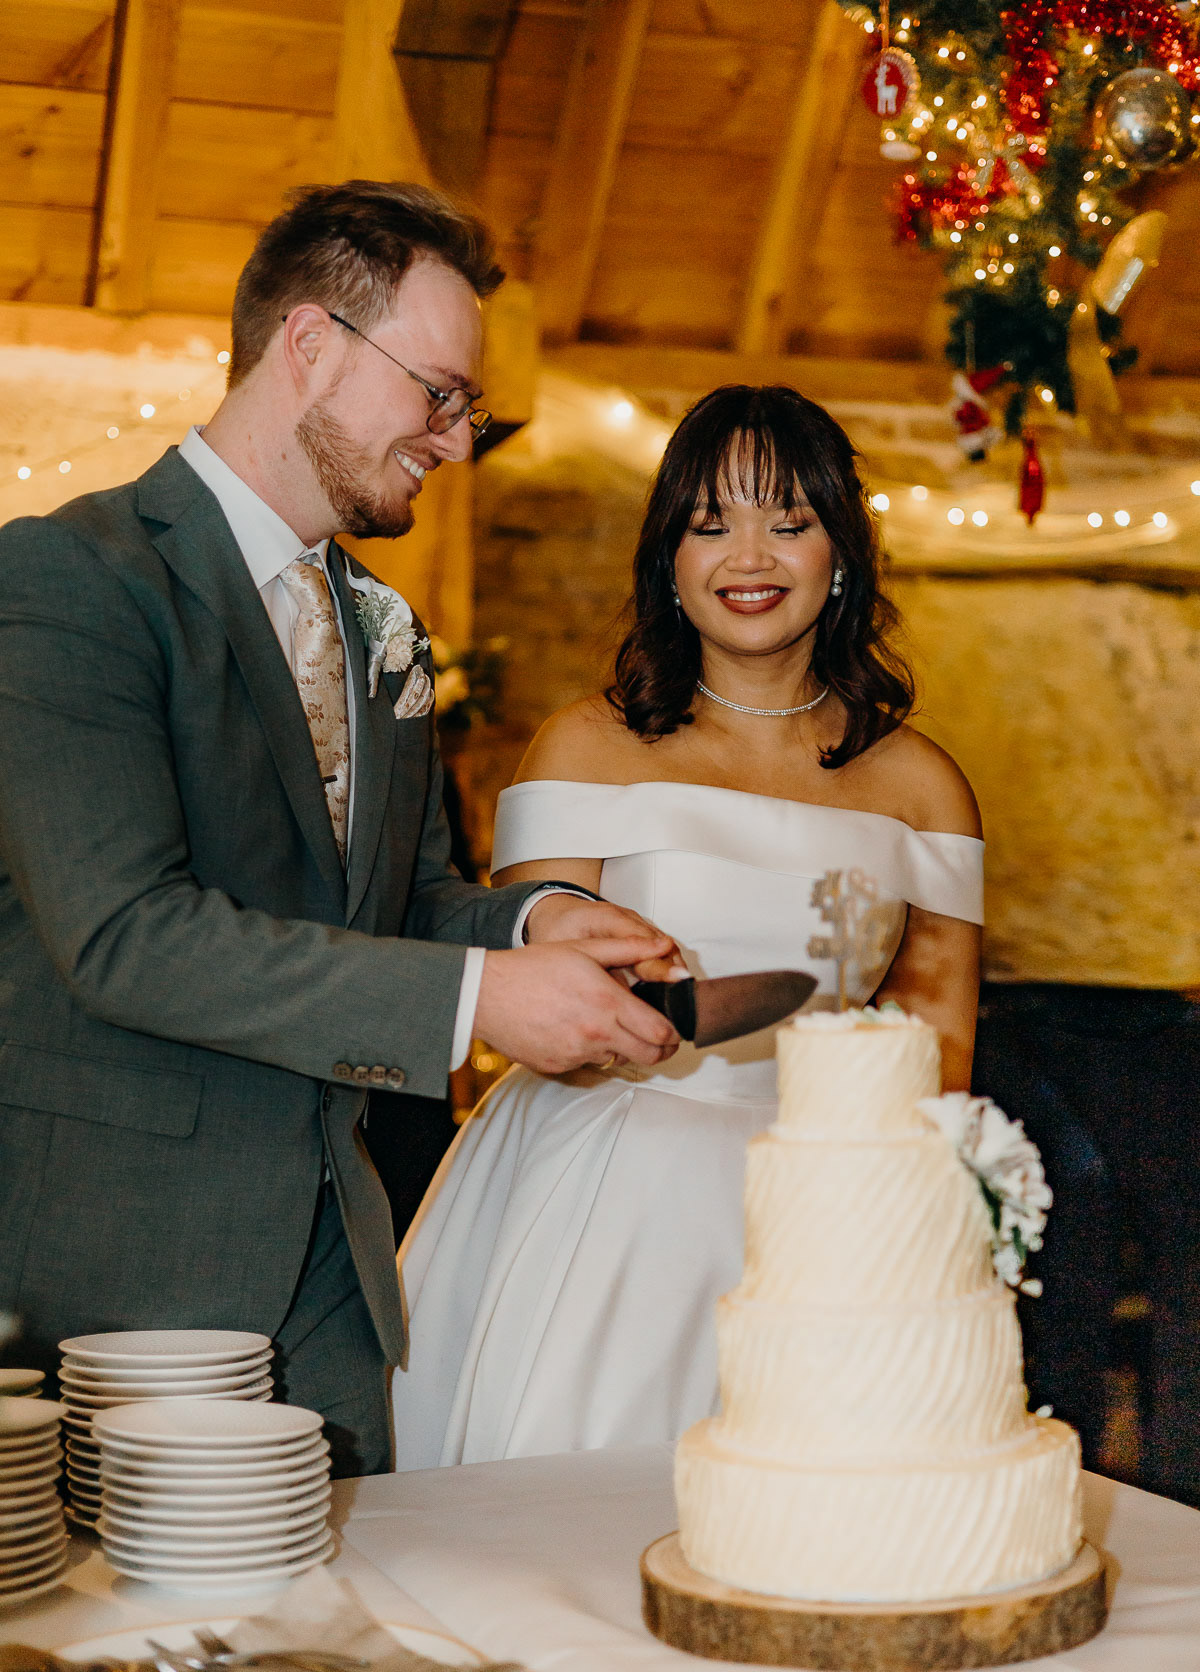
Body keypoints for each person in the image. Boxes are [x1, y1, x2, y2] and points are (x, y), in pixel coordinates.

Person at [0, 181, 682, 1477]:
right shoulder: (69, 581)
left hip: (331, 1271)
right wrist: (480, 998)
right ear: (309, 343)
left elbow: (406, 900)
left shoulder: (387, 632)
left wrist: (540, 921)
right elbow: (124, 938)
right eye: (439, 393)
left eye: (465, 406)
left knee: (346, 1664)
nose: (458, 439)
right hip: (111, 1275)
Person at [392, 384, 984, 1469]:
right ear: (668, 558)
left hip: (818, 1198)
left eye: (786, 522)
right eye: (709, 524)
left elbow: (936, 1040)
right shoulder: (586, 747)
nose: (747, 556)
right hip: (604, 1177)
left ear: (840, 549)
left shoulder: (923, 785)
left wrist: (897, 1211)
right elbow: (527, 997)